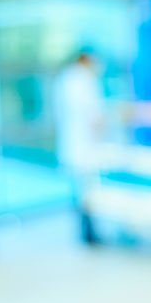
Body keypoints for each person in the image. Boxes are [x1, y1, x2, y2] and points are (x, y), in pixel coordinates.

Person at [54, 48, 106, 244]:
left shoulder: (66, 79)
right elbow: (94, 115)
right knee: (88, 191)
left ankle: (86, 231)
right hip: (84, 145)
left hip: (73, 143)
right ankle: (89, 233)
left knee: (80, 190)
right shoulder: (84, 80)